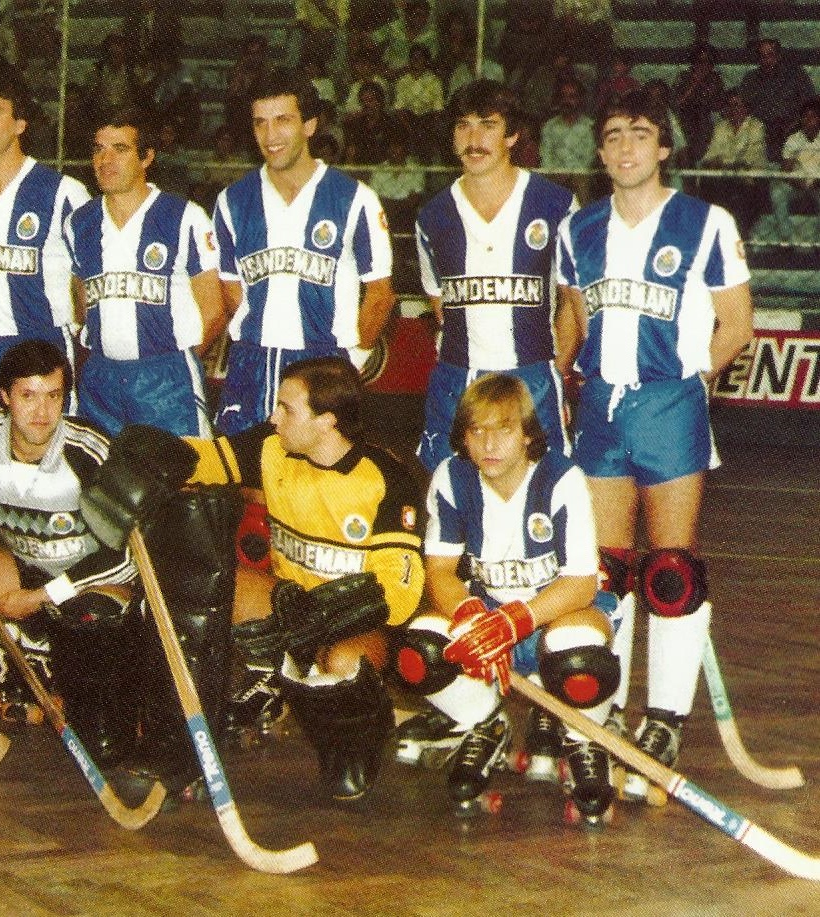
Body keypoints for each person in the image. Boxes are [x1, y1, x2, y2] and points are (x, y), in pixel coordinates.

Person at [84, 356, 423, 809]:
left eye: (287, 409)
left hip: (353, 624)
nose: (273, 417)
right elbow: (207, 459)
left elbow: (400, 593)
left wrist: (324, 613)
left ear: (327, 421)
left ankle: (353, 742)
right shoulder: (271, 446)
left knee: (343, 665)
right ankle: (182, 747)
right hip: (287, 602)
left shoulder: (386, 477)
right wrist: (151, 457)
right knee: (208, 590)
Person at [555, 88, 754, 800]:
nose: (625, 147)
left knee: (670, 568)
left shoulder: (705, 222)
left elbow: (736, 324)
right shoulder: (577, 229)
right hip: (599, 407)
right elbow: (571, 320)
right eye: (612, 135)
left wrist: (690, 383)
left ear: (663, 146)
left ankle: (665, 718)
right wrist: (553, 384)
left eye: (639, 133)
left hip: (668, 402)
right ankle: (599, 708)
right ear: (600, 150)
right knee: (605, 569)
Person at [392, 374, 624, 822]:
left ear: (527, 434)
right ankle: (484, 723)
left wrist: (514, 623)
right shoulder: (452, 478)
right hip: (489, 613)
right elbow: (439, 570)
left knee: (579, 656)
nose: (488, 443)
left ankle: (584, 739)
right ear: (463, 437)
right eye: (476, 430)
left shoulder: (561, 478)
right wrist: (471, 616)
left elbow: (581, 582)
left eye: (503, 429)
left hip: (556, 615)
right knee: (420, 651)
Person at [0, 340, 141, 763]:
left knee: (92, 618)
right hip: (23, 569)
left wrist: (40, 597)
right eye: (28, 396)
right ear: (5, 396)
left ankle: (91, 705)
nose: (42, 412)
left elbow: (128, 554)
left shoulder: (88, 449)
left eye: (53, 396)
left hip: (91, 583)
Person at [213, 68, 394, 435]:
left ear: (309, 125)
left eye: (283, 120)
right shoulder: (232, 201)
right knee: (244, 466)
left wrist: (351, 361)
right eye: (260, 123)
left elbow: (380, 294)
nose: (270, 136)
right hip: (252, 361)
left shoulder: (354, 198)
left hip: (323, 362)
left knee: (318, 468)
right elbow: (231, 289)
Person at [415, 81, 577, 473]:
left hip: (533, 377)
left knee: (539, 494)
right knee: (451, 492)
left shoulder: (556, 204)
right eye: (463, 125)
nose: (474, 139)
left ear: (512, 134)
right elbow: (440, 303)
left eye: (488, 125)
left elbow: (572, 303)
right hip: (457, 378)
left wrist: (557, 375)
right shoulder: (432, 215)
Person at [0, 61, 90, 431]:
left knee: (44, 459)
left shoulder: (64, 193)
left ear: (20, 123)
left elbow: (87, 286)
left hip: (40, 352)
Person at [63, 105, 224, 438]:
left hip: (166, 378)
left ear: (146, 157)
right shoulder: (78, 223)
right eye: (99, 149)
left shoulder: (184, 216)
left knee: (182, 468)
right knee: (100, 468)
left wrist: (176, 367)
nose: (106, 160)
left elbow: (214, 312)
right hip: (100, 379)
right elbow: (82, 305)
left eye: (119, 149)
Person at [697, 90, 768, 236]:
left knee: (741, 194)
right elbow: (710, 157)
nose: (733, 109)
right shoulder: (721, 127)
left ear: (746, 107)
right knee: (707, 184)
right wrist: (726, 163)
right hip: (724, 179)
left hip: (750, 180)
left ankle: (741, 237)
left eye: (737, 105)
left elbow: (748, 160)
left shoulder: (756, 126)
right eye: (730, 105)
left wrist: (723, 162)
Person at [768, 98, 820, 239]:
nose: (809, 120)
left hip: (818, 184)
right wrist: (798, 182)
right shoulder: (793, 139)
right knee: (777, 193)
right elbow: (786, 171)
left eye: (813, 116)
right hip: (797, 183)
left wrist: (816, 183)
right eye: (805, 117)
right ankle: (786, 237)